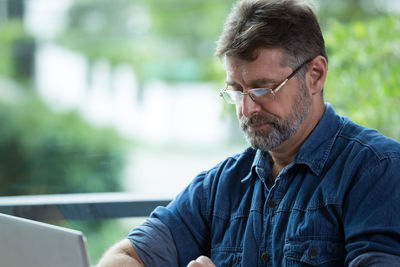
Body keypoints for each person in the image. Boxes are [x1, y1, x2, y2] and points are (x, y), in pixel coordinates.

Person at [97, 0, 400, 266]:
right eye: (237, 91)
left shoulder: (377, 168)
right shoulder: (219, 186)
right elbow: (123, 258)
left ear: (315, 75)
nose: (247, 109)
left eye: (263, 89)